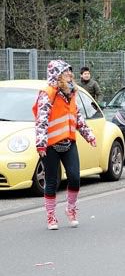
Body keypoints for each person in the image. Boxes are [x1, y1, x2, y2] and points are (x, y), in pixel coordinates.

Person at [33, 60, 96, 229]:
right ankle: (51, 216)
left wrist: (89, 135)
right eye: (66, 71)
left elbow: (78, 117)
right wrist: (40, 144)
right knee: (51, 181)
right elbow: (41, 120)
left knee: (75, 177)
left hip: (69, 141)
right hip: (51, 144)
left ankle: (71, 209)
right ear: (57, 74)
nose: (70, 74)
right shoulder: (47, 93)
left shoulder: (72, 92)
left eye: (70, 71)